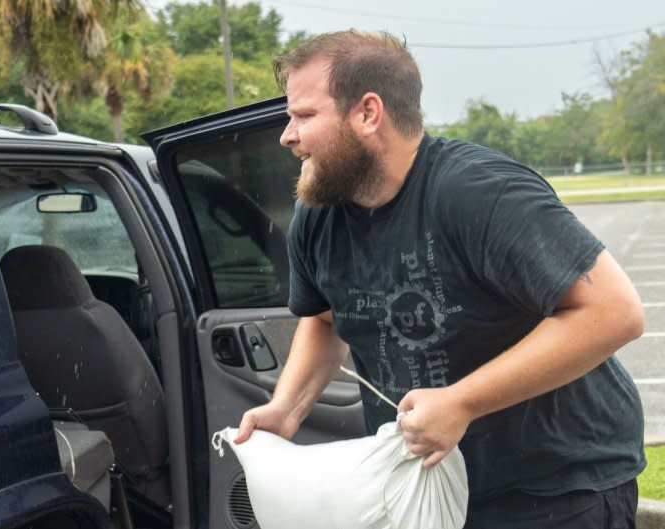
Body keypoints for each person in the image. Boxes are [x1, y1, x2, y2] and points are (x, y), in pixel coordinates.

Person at [234, 30, 646, 528]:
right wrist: (287, 409)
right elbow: (324, 320)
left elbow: (614, 312)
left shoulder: (478, 192)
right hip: (430, 488)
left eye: (303, 115)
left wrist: (461, 401)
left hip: (559, 486)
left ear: (368, 113)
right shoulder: (318, 217)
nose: (287, 134)